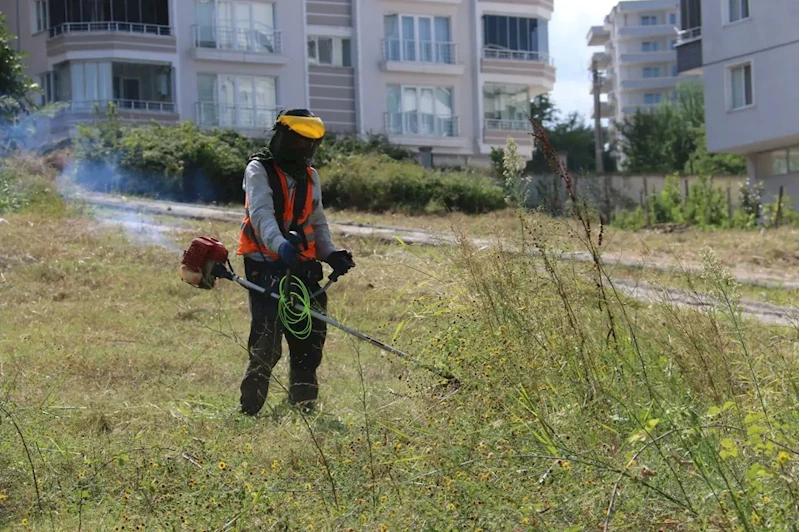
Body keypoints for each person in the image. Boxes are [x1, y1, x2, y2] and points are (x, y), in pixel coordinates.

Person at [236, 109, 355, 416]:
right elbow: (261, 215)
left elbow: (316, 220)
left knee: (310, 332)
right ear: (282, 137)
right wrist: (281, 248)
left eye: (308, 145)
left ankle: (303, 404)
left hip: (300, 262)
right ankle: (250, 408)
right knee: (268, 338)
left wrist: (330, 254)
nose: (303, 150)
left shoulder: (310, 176)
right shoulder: (258, 169)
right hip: (264, 262)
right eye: (298, 142)